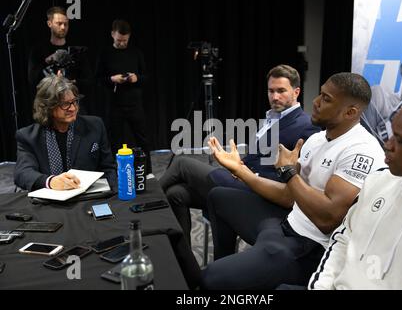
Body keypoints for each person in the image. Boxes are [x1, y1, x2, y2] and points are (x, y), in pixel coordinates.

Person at [201, 72, 386, 290]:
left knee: (211, 278)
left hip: (310, 246)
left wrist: (289, 172)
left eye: (326, 99)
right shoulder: (317, 139)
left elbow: (328, 219)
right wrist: (240, 170)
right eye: (320, 95)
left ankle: (229, 278)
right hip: (286, 222)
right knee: (218, 197)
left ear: (350, 112)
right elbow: (289, 196)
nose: (315, 103)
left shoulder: (362, 150)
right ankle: (230, 270)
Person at [159, 65, 321, 244]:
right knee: (176, 194)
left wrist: (245, 173)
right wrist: (239, 164)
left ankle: (145, 204)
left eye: (281, 91)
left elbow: (295, 180)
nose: (275, 97)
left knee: (182, 164)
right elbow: (257, 158)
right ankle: (184, 260)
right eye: (271, 91)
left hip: (260, 192)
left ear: (296, 91)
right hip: (241, 181)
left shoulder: (306, 125)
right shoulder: (273, 117)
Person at [309, 99, 402, 290]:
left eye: (401, 141)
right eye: (392, 134)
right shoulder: (377, 181)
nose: (388, 145)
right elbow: (342, 241)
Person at [14, 76, 116, 192]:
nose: (72, 108)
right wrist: (51, 181)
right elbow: (22, 173)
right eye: (65, 104)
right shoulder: (28, 136)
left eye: (74, 102)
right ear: (47, 107)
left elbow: (108, 168)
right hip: (49, 201)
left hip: (88, 197)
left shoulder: (95, 126)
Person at [95, 19, 151, 169]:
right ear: (112, 34)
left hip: (134, 103)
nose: (122, 43)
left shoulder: (136, 53)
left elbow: (146, 77)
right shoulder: (105, 53)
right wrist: (112, 79)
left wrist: (136, 78)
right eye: (119, 40)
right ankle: (116, 171)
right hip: (114, 104)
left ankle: (148, 170)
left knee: (142, 139)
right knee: (115, 141)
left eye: (125, 40)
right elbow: (97, 79)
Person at [28, 6, 93, 103]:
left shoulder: (76, 51)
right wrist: (49, 60)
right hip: (48, 103)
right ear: (49, 23)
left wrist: (71, 83)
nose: (63, 27)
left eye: (66, 24)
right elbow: (32, 80)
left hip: (72, 102)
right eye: (59, 24)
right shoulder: (38, 50)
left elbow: (89, 80)